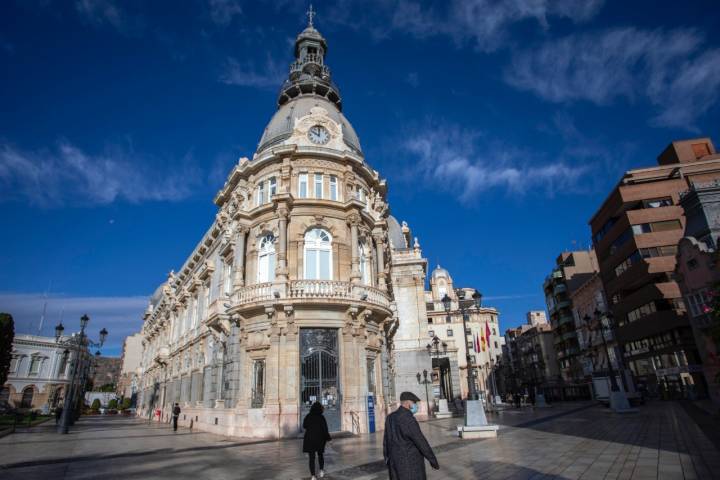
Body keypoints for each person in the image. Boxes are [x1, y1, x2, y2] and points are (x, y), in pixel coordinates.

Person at [383, 391, 439, 480]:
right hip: (410, 465)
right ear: (408, 403)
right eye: (414, 403)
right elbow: (420, 441)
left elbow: (386, 441)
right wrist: (433, 460)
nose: (416, 405)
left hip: (394, 464)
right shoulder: (408, 419)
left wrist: (387, 459)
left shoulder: (390, 417)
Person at [302, 402, 331, 480]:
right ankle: (321, 470)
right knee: (320, 455)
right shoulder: (321, 417)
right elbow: (325, 429)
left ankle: (313, 476)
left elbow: (304, 425)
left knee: (311, 458)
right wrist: (328, 438)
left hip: (310, 439)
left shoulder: (308, 416)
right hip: (320, 439)